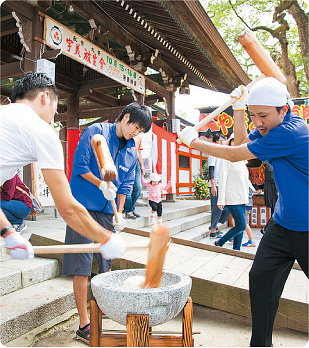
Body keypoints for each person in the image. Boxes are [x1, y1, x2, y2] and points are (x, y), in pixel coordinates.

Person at [178, 77, 308, 347]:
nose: (258, 122)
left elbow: (235, 155)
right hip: (282, 225)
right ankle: (260, 344)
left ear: (284, 109)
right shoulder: (272, 127)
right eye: (253, 115)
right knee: (261, 279)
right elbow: (241, 143)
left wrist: (194, 142)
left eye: (263, 115)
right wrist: (238, 109)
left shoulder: (291, 133)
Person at [0, 72, 126, 261]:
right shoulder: (41, 130)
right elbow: (67, 208)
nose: (54, 115)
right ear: (45, 97)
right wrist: (107, 238)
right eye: (55, 108)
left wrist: (8, 233)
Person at [62, 102, 152, 344]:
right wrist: (101, 184)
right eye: (136, 126)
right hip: (82, 208)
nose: (136, 132)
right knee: (82, 265)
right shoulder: (96, 133)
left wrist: (119, 213)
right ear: (125, 116)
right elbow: (79, 167)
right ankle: (83, 324)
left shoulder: (132, 150)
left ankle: (105, 310)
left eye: (141, 130)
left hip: (107, 211)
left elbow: (125, 185)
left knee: (106, 262)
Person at [215, 134, 248, 250]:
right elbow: (222, 179)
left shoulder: (243, 161)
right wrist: (221, 199)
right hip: (232, 197)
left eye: (239, 142)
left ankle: (236, 250)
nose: (236, 143)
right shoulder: (226, 159)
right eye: (234, 141)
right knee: (241, 225)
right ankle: (220, 241)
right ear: (230, 142)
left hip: (242, 197)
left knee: (241, 226)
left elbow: (244, 180)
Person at [208, 133, 230, 238]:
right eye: (220, 140)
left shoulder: (223, 153)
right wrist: (213, 185)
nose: (222, 142)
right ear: (215, 142)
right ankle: (213, 231)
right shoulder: (213, 153)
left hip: (222, 184)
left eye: (223, 140)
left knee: (226, 208)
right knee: (217, 208)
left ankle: (214, 225)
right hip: (215, 184)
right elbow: (211, 170)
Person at [123, 134, 145, 219]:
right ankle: (129, 210)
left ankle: (130, 208)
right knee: (127, 188)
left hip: (135, 163)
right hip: (125, 161)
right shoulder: (124, 134)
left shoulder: (138, 136)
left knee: (138, 188)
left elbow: (139, 152)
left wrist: (142, 165)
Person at [242, 179, 257, 247]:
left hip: (245, 205)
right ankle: (234, 236)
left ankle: (251, 240)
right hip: (248, 205)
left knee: (245, 223)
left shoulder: (244, 182)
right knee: (238, 221)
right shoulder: (248, 182)